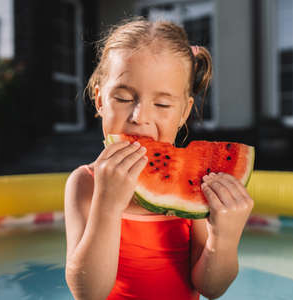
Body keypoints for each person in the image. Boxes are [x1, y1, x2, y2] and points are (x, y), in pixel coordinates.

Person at [64, 16, 254, 300]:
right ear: (100, 99)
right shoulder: (85, 183)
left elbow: (211, 288)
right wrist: (107, 205)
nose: (140, 118)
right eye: (124, 98)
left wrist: (224, 239)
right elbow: (87, 293)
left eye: (162, 104)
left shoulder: (198, 182)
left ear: (183, 112)